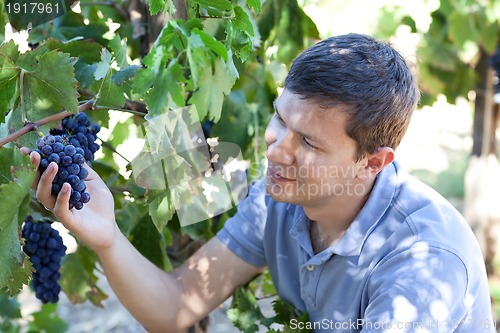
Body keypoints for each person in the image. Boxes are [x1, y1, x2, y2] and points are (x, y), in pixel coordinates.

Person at [24, 33, 494, 332]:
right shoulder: (282, 200)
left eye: (308, 142)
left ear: (373, 162)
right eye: (279, 119)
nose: (276, 150)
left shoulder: (421, 265)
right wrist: (107, 238)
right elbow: (176, 307)